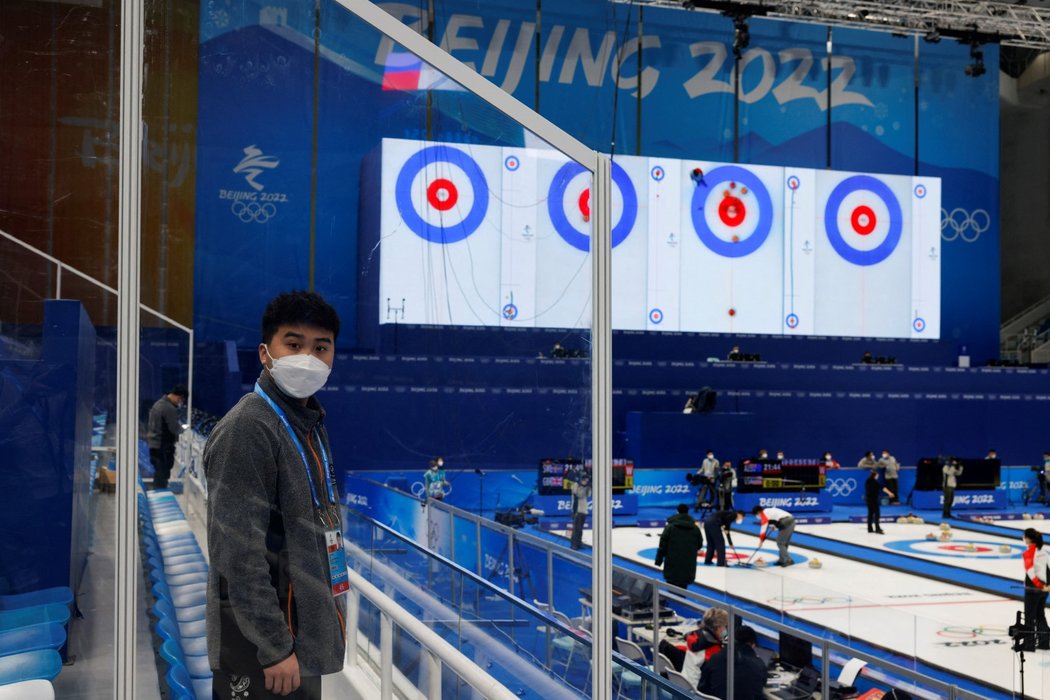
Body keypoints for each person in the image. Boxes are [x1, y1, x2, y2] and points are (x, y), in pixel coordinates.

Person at [204, 291, 345, 700]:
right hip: (265, 649)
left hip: (300, 636)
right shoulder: (249, 427)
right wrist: (273, 646)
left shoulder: (308, 422)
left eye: (321, 347)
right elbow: (237, 553)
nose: (309, 357)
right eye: (294, 344)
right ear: (266, 353)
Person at [658, 606, 727, 684]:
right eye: (725, 626)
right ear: (719, 628)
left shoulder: (694, 638)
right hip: (696, 691)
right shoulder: (715, 652)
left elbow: (682, 648)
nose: (726, 629)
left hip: (684, 683)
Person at [698, 624, 767, 699]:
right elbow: (762, 684)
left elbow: (702, 687)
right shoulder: (759, 665)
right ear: (753, 645)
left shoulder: (715, 658)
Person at [147, 384, 187, 489]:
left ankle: (159, 491)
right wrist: (183, 429)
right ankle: (160, 492)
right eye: (180, 400)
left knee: (159, 474)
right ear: (178, 396)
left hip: (155, 445)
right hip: (163, 447)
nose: (180, 403)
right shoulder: (169, 408)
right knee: (162, 475)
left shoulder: (158, 404)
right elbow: (174, 428)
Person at [654, 504, 703, 588]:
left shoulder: (670, 527)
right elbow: (699, 544)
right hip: (688, 564)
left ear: (677, 511)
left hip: (672, 563)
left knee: (671, 588)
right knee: (683, 587)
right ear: (688, 512)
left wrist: (659, 560)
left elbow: (662, 545)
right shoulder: (695, 528)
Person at [1022, 528, 1050, 650]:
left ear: (1028, 539)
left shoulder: (1028, 553)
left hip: (1033, 589)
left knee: (1029, 616)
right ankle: (1044, 642)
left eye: (1024, 536)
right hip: (1045, 588)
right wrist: (1047, 585)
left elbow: (1031, 573)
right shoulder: (1045, 552)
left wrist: (1039, 585)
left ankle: (1029, 644)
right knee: (1040, 615)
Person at [865, 469, 894, 534]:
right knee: (877, 514)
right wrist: (890, 493)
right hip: (874, 500)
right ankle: (877, 528)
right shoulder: (876, 482)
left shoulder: (867, 481)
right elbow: (883, 488)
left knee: (870, 514)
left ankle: (870, 528)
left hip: (868, 499)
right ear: (875, 476)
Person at [569, 472, 591, 550]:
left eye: (586, 481)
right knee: (576, 528)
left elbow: (588, 495)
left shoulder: (586, 487)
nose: (585, 482)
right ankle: (573, 544)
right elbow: (579, 495)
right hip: (576, 510)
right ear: (580, 480)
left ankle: (579, 543)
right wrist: (585, 488)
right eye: (584, 480)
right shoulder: (575, 485)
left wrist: (588, 487)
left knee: (580, 529)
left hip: (584, 510)